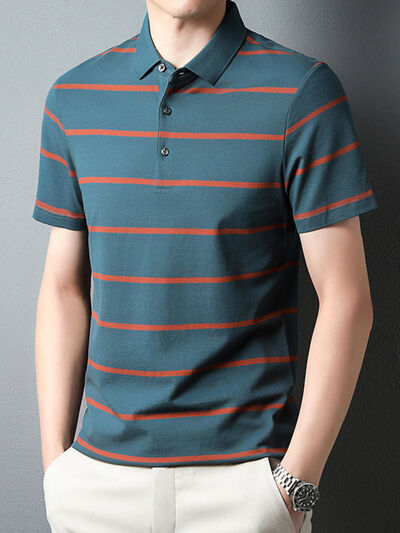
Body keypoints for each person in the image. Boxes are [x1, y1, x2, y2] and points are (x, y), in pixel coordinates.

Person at [32, 1, 378, 532]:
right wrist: (56, 470)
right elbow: (63, 290)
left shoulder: (303, 92)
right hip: (96, 487)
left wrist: (294, 486)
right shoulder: (73, 99)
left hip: (247, 489)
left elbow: (347, 298)